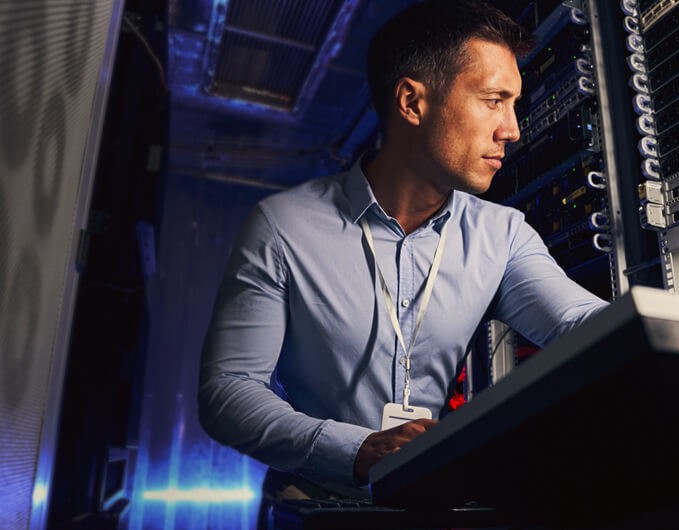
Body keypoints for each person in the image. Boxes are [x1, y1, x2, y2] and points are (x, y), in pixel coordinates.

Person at [198, 0, 609, 509]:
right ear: (412, 103)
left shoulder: (501, 235)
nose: (512, 129)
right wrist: (354, 449)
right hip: (313, 502)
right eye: (493, 101)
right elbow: (228, 391)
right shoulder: (283, 227)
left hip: (426, 500)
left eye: (514, 104)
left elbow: (579, 322)